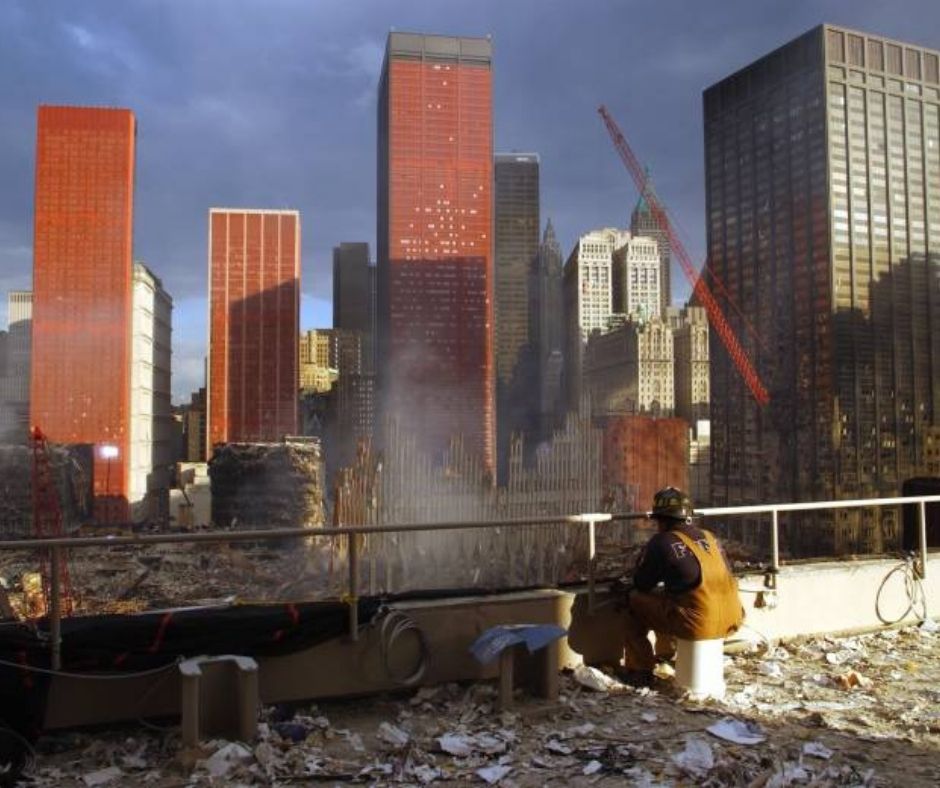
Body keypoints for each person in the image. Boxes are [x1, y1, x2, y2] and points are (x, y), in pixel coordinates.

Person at [620, 486, 744, 686]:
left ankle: (639, 671)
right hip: (733, 616)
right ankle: (667, 655)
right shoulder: (710, 537)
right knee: (673, 602)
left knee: (633, 601)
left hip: (697, 623)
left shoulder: (662, 542)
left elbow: (642, 584)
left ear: (662, 519)